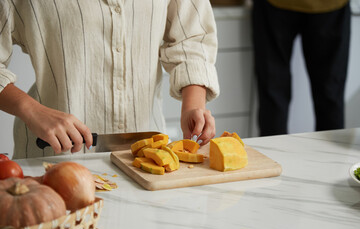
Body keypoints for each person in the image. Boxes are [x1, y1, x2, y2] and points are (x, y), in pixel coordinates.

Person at [0, 0, 219, 159]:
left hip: (147, 158)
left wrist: (193, 106)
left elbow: (192, 38)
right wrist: (32, 110)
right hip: (54, 158)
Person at [252, 0, 351, 136]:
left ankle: (271, 156)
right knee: (330, 95)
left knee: (273, 94)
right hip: (329, 5)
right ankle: (333, 157)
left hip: (277, 5)